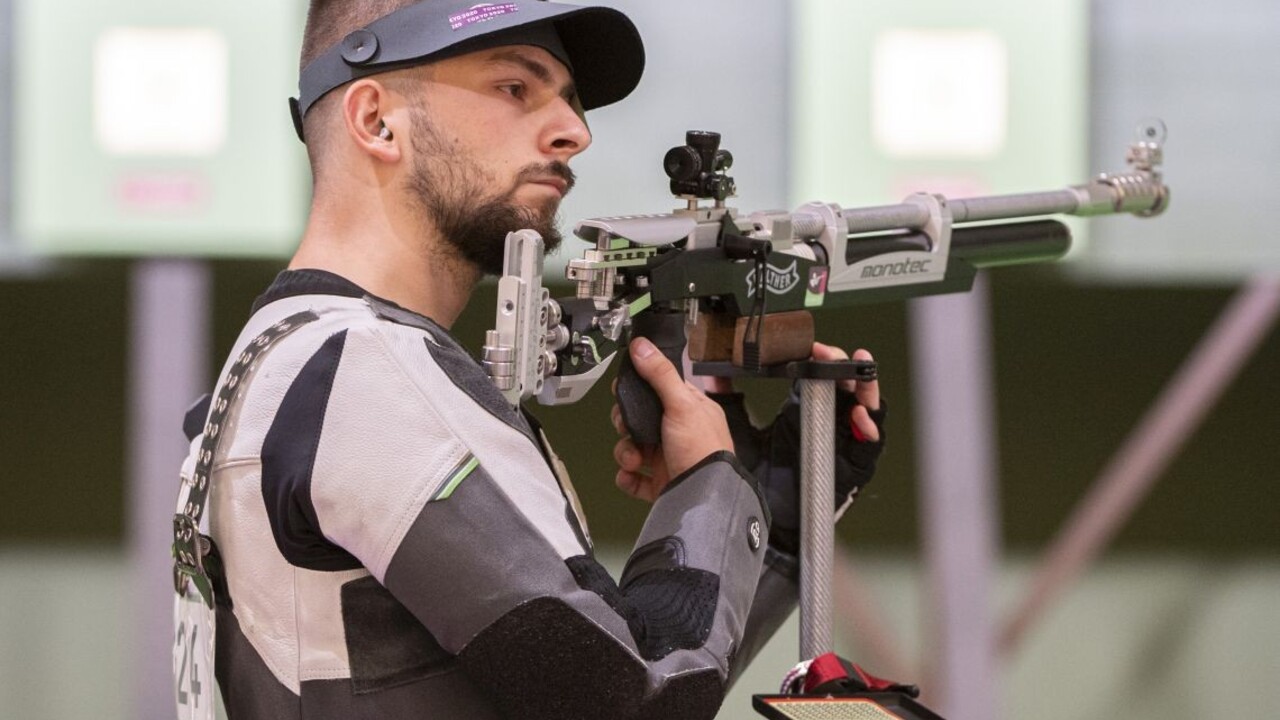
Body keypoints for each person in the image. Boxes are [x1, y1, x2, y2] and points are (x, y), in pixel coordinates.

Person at [178, 1, 885, 718]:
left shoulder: (296, 355)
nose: (575, 132)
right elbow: (640, 700)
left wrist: (765, 518)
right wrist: (712, 489)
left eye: (570, 100)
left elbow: (597, 679)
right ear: (375, 120)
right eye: (514, 87)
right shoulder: (366, 372)